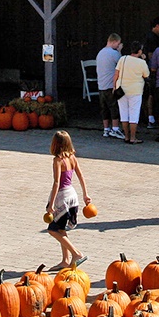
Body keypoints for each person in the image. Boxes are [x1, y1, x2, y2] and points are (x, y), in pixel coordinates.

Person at [46, 131, 91, 269]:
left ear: (55, 144)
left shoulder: (58, 160)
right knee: (61, 229)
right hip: (73, 197)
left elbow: (56, 183)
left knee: (52, 230)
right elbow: (81, 176)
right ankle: (65, 260)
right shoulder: (72, 158)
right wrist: (85, 194)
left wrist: (51, 204)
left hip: (63, 198)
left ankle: (76, 253)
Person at [114, 41, 150, 144]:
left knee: (124, 114)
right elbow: (146, 75)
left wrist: (114, 86)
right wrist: (143, 59)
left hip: (121, 89)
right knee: (134, 115)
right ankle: (133, 137)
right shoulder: (142, 63)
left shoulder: (123, 59)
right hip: (135, 90)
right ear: (139, 51)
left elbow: (116, 74)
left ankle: (126, 136)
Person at [95, 33, 124, 139]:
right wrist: (119, 51)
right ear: (114, 41)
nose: (118, 45)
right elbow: (121, 64)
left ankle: (106, 129)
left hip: (101, 85)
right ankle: (115, 129)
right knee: (113, 107)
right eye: (118, 43)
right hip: (111, 85)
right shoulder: (114, 53)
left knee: (104, 108)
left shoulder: (100, 53)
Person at [143, 17, 159, 128]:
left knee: (151, 93)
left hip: (150, 69)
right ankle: (151, 118)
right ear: (157, 26)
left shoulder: (151, 37)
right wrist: (156, 67)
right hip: (152, 71)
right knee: (152, 93)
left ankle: (151, 118)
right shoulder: (152, 38)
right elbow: (151, 55)